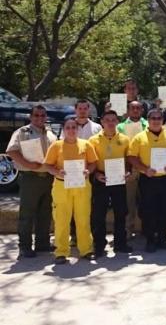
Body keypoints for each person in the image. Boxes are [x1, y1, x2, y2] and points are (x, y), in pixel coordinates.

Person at [42, 116, 98, 264]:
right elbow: (48, 165)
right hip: (62, 186)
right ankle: (61, 252)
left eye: (74, 127)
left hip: (82, 186)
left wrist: (88, 171)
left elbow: (93, 163)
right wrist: (56, 172)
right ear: (64, 130)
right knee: (61, 220)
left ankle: (86, 250)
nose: (71, 130)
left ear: (78, 129)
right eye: (68, 127)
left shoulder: (86, 144)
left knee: (83, 219)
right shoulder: (56, 146)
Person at [6, 105, 57, 258]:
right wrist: (28, 164)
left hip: (48, 178)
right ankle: (25, 246)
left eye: (43, 115)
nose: (40, 118)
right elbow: (11, 151)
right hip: (30, 178)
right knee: (27, 214)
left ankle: (42, 244)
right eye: (36, 115)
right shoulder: (22, 132)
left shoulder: (51, 133)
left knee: (45, 213)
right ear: (31, 117)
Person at [127, 108, 166, 252]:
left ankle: (162, 237)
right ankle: (150, 239)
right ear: (148, 121)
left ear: (162, 120)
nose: (156, 121)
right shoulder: (139, 137)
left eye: (159, 118)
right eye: (153, 118)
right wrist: (144, 169)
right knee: (148, 210)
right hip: (148, 179)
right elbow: (131, 156)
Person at [88, 110, 132, 257]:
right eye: (107, 120)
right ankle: (99, 245)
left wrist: (127, 172)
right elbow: (89, 162)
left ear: (117, 122)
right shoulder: (92, 141)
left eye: (113, 120)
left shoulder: (125, 140)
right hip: (101, 179)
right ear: (102, 122)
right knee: (98, 214)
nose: (111, 123)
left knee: (121, 212)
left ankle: (120, 243)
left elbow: (129, 159)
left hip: (119, 180)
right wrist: (96, 174)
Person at [116, 100, 147, 237]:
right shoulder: (120, 126)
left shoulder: (148, 124)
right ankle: (128, 230)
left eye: (138, 108)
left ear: (142, 110)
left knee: (146, 199)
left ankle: (147, 229)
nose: (135, 110)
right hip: (129, 167)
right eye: (133, 108)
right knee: (129, 201)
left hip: (146, 166)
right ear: (128, 110)